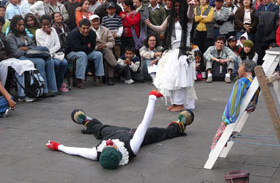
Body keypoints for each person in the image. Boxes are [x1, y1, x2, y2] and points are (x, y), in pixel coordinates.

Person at [46, 90, 194, 169]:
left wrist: (58, 146)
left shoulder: (95, 153)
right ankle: (178, 126)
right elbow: (144, 123)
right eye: (112, 145)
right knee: (160, 133)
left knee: (101, 129)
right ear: (118, 153)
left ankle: (87, 121)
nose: (109, 143)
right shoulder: (132, 147)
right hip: (134, 135)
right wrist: (152, 98)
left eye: (106, 145)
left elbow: (76, 151)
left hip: (115, 131)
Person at [145, 0, 196, 112]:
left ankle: (180, 104)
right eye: (175, 6)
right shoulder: (171, 17)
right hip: (172, 51)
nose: (177, 8)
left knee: (180, 79)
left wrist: (191, 6)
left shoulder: (187, 19)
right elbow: (161, 28)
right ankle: (175, 102)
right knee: (171, 77)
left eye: (179, 6)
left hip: (182, 52)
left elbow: (190, 13)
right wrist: (150, 25)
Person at [210, 60, 258, 149]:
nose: (238, 69)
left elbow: (234, 100)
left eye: (240, 67)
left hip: (232, 115)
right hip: (247, 108)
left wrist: (228, 116)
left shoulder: (242, 82)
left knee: (220, 135)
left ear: (244, 68)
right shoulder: (253, 81)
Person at [6, 15, 57, 96]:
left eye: (23, 24)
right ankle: (44, 90)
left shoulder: (25, 35)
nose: (22, 27)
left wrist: (25, 48)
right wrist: (27, 50)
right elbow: (15, 53)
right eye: (20, 25)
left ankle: (53, 88)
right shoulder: (10, 37)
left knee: (49, 61)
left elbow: (34, 46)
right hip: (19, 58)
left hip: (30, 54)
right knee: (40, 62)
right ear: (14, 26)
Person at [0, 16, 36, 102]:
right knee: (18, 66)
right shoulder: (9, 36)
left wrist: (9, 57)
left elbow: (8, 50)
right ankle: (22, 94)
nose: (0, 27)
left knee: (25, 64)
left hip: (7, 59)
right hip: (2, 60)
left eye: (1, 25)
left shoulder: (1, 36)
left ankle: (28, 91)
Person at [65, 18, 104, 89]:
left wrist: (85, 48)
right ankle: (78, 79)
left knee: (98, 54)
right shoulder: (74, 33)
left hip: (86, 52)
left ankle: (97, 76)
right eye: (83, 28)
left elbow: (92, 47)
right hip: (71, 52)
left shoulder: (92, 33)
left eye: (87, 28)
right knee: (82, 55)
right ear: (79, 27)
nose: (86, 31)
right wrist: (86, 47)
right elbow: (75, 48)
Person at [90, 15, 126, 86]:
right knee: (107, 53)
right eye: (94, 21)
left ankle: (110, 77)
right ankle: (116, 67)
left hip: (105, 47)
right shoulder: (89, 30)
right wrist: (97, 47)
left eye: (97, 21)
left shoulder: (105, 29)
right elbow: (88, 44)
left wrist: (105, 45)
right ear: (91, 22)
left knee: (107, 51)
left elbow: (112, 41)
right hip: (95, 49)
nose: (96, 23)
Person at [36, 15, 69, 92]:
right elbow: (44, 47)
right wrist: (48, 35)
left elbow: (58, 45)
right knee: (56, 64)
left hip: (54, 54)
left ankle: (59, 83)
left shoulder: (53, 30)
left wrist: (51, 52)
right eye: (44, 25)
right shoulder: (38, 32)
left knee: (64, 63)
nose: (46, 26)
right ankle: (55, 83)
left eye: (48, 24)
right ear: (41, 25)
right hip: (44, 55)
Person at [254, 0, 279, 65]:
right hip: (261, 33)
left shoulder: (275, 7)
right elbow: (256, 15)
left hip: (270, 33)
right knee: (260, 54)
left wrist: (262, 14)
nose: (264, 0)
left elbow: (275, 15)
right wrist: (268, 15)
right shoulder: (260, 7)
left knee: (270, 54)